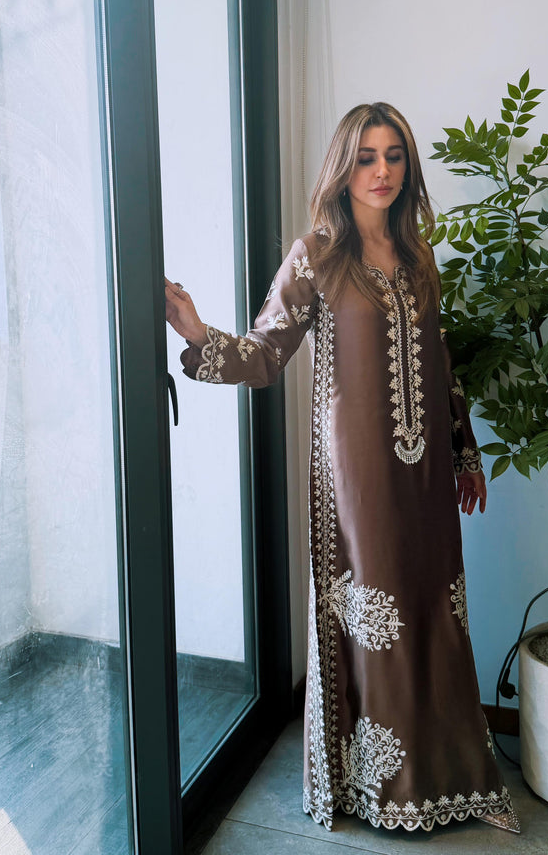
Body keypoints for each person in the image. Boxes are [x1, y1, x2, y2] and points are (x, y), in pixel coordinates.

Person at [164, 103, 519, 835]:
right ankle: (383, 790)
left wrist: (466, 451)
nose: (382, 171)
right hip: (358, 480)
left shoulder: (419, 258)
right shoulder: (317, 256)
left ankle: (451, 775)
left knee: (437, 610)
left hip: (427, 475)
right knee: (378, 618)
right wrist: (197, 333)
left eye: (394, 156)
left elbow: (440, 362)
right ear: (343, 168)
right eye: (366, 157)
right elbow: (267, 354)